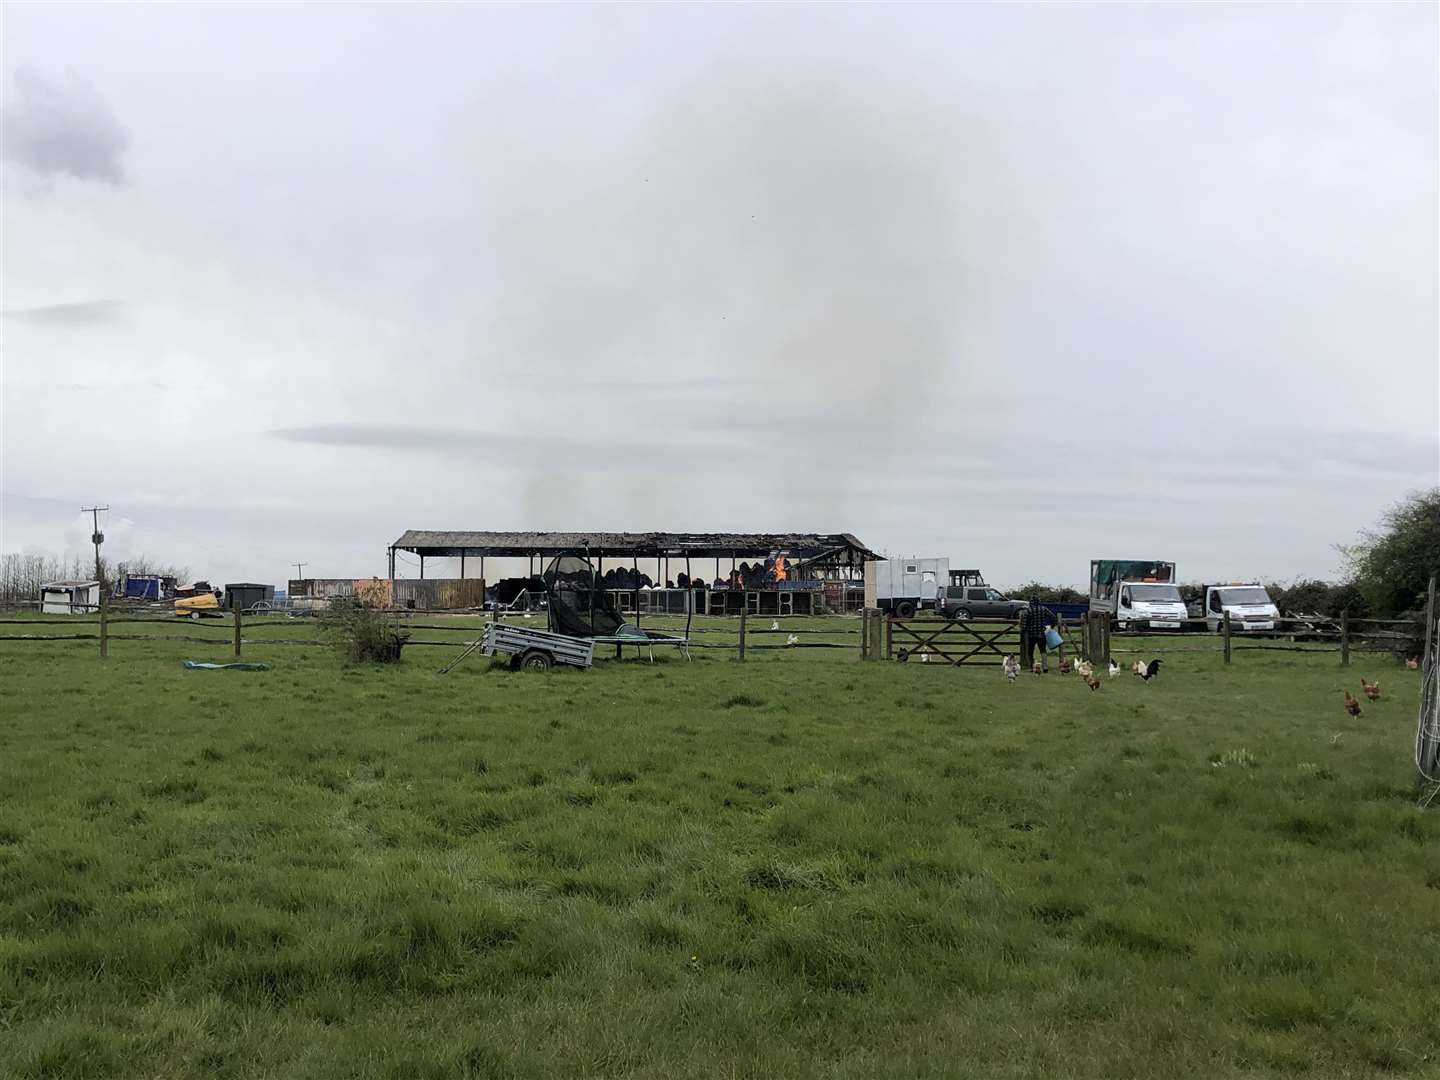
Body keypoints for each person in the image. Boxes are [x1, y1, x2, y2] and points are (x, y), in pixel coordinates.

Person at [1021, 598, 1052, 673]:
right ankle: (1045, 667)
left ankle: (1032, 668)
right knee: (1043, 650)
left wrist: (1022, 632)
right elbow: (1053, 617)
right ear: (1039, 602)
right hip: (1041, 633)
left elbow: (1024, 624)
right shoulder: (1044, 609)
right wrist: (1051, 626)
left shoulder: (1027, 611)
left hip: (1031, 634)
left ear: (1030, 603)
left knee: (1030, 652)